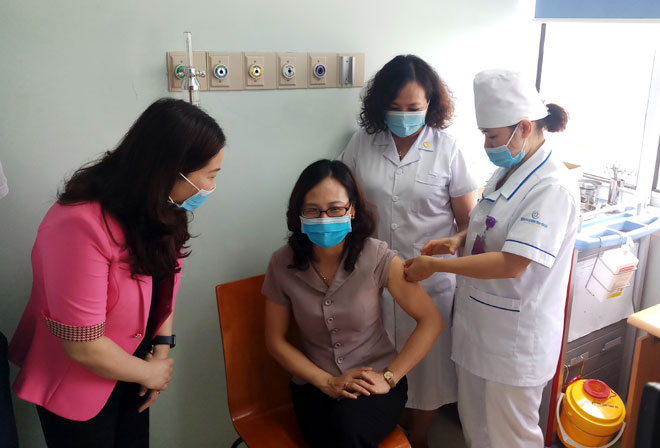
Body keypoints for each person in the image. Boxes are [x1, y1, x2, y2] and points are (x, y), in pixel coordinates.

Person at [8, 98, 226, 448]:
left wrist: (161, 348)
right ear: (171, 170)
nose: (211, 188)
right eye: (210, 176)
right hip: (78, 383)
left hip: (132, 371)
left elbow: (165, 283)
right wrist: (150, 372)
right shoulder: (78, 224)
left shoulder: (160, 209)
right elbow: (83, 346)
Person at [404, 69, 579, 448]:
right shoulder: (508, 170)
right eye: (485, 134)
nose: (487, 144)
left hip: (515, 344)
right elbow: (491, 221)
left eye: (493, 136)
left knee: (510, 438)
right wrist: (457, 239)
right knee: (477, 432)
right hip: (480, 331)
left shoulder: (551, 187)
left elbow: (511, 262)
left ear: (525, 127)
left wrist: (436, 266)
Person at [339, 54, 477, 447]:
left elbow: (468, 225)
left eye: (414, 108)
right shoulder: (361, 143)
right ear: (380, 105)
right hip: (372, 280)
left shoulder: (448, 149)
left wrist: (448, 247)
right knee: (378, 370)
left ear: (431, 105)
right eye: (394, 108)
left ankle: (419, 440)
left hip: (428, 283)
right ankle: (391, 434)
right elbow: (343, 202)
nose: (404, 116)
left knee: (429, 375)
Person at [263, 159, 444, 448]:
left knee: (348, 431)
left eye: (335, 209)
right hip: (315, 385)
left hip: (374, 383)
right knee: (331, 436)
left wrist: (389, 376)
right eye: (312, 210)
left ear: (353, 209)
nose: (324, 218)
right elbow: (275, 340)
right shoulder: (281, 263)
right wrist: (326, 382)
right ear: (299, 214)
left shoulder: (377, 256)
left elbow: (431, 320)